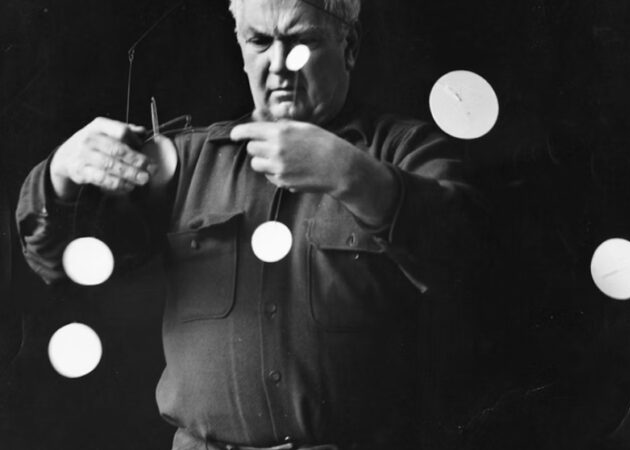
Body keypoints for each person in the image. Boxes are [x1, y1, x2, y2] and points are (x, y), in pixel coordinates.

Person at [16, 0, 478, 448]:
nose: (278, 64)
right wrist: (59, 174)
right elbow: (55, 262)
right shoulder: (185, 163)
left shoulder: (404, 151)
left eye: (301, 41)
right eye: (259, 40)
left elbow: (471, 265)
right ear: (239, 46)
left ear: (350, 45)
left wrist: (354, 176)